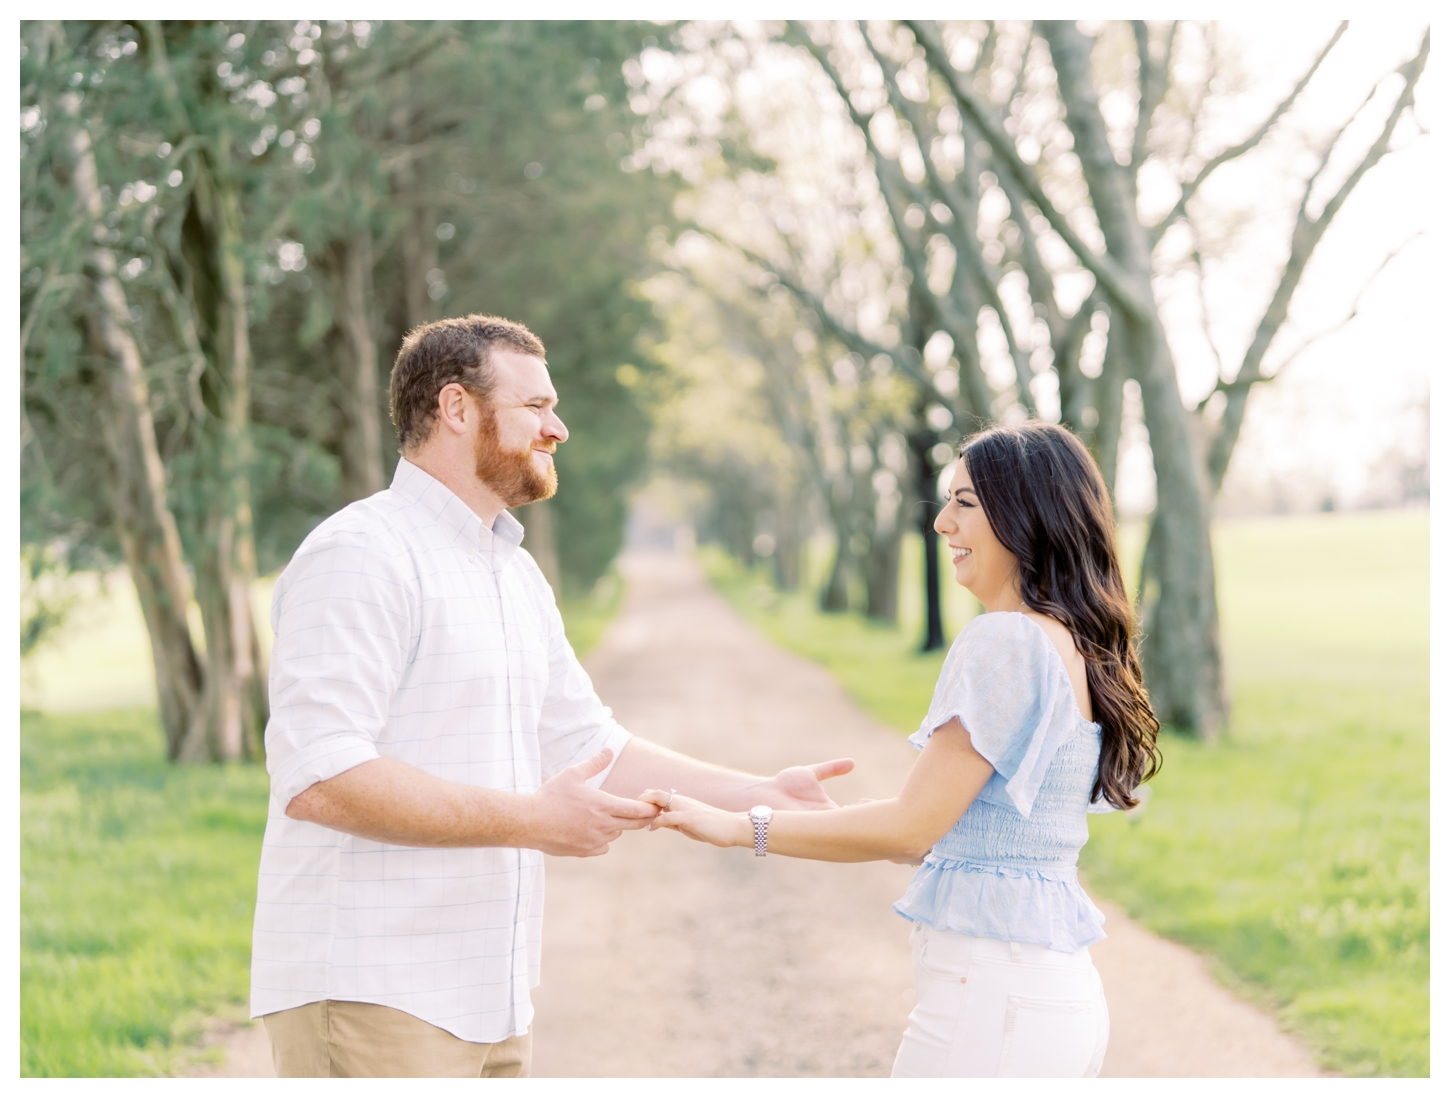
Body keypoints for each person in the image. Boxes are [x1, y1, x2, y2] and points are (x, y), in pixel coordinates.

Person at [250, 314, 854, 1078]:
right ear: (457, 408)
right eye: (535, 406)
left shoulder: (513, 573)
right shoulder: (362, 554)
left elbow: (589, 745)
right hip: (373, 990)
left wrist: (754, 795)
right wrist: (535, 821)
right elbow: (320, 777)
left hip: (491, 1000)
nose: (557, 427)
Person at [649, 421, 1161, 1078]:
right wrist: (821, 819)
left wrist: (736, 827)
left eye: (965, 502)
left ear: (1027, 513)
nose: (943, 523)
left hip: (994, 1005)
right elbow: (938, 836)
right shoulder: (1071, 642)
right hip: (1049, 1003)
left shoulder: (1004, 643)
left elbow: (913, 825)